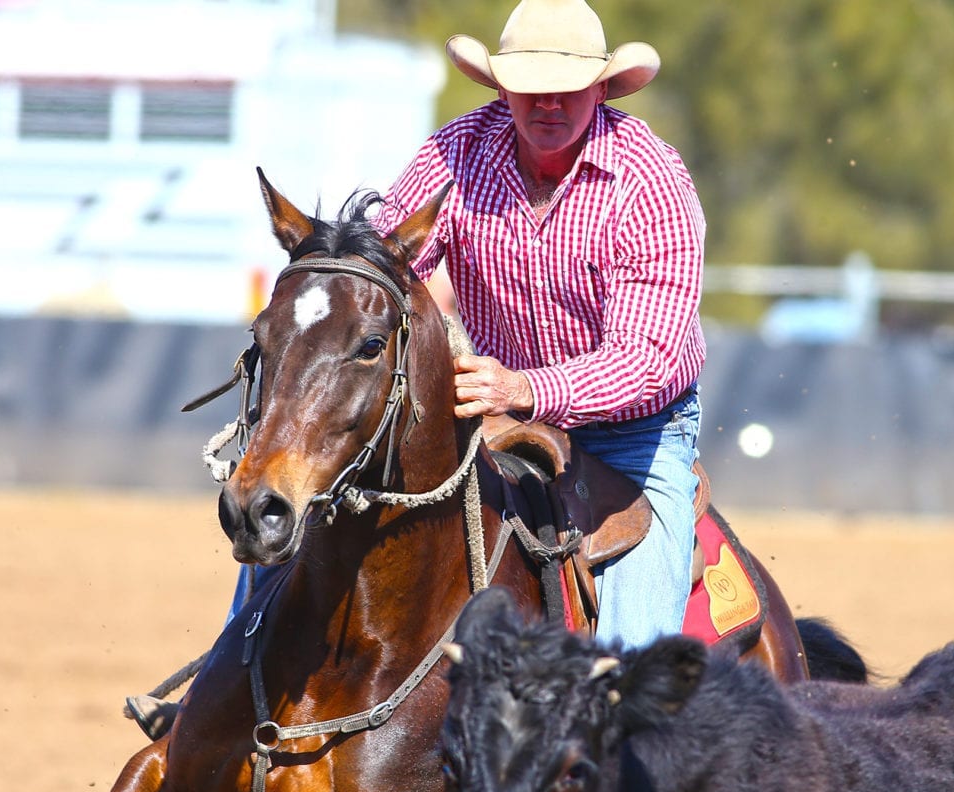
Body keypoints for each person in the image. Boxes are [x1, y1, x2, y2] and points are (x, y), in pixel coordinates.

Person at [126, 0, 707, 736]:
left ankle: (637, 763)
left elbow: (648, 361)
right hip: (485, 407)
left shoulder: (650, 181)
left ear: (602, 89)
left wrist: (527, 388)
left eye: (567, 86)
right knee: (304, 495)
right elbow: (384, 256)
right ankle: (220, 701)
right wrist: (331, 281)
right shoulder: (458, 151)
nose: (549, 102)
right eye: (530, 84)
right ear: (502, 88)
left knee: (638, 668)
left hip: (633, 435)